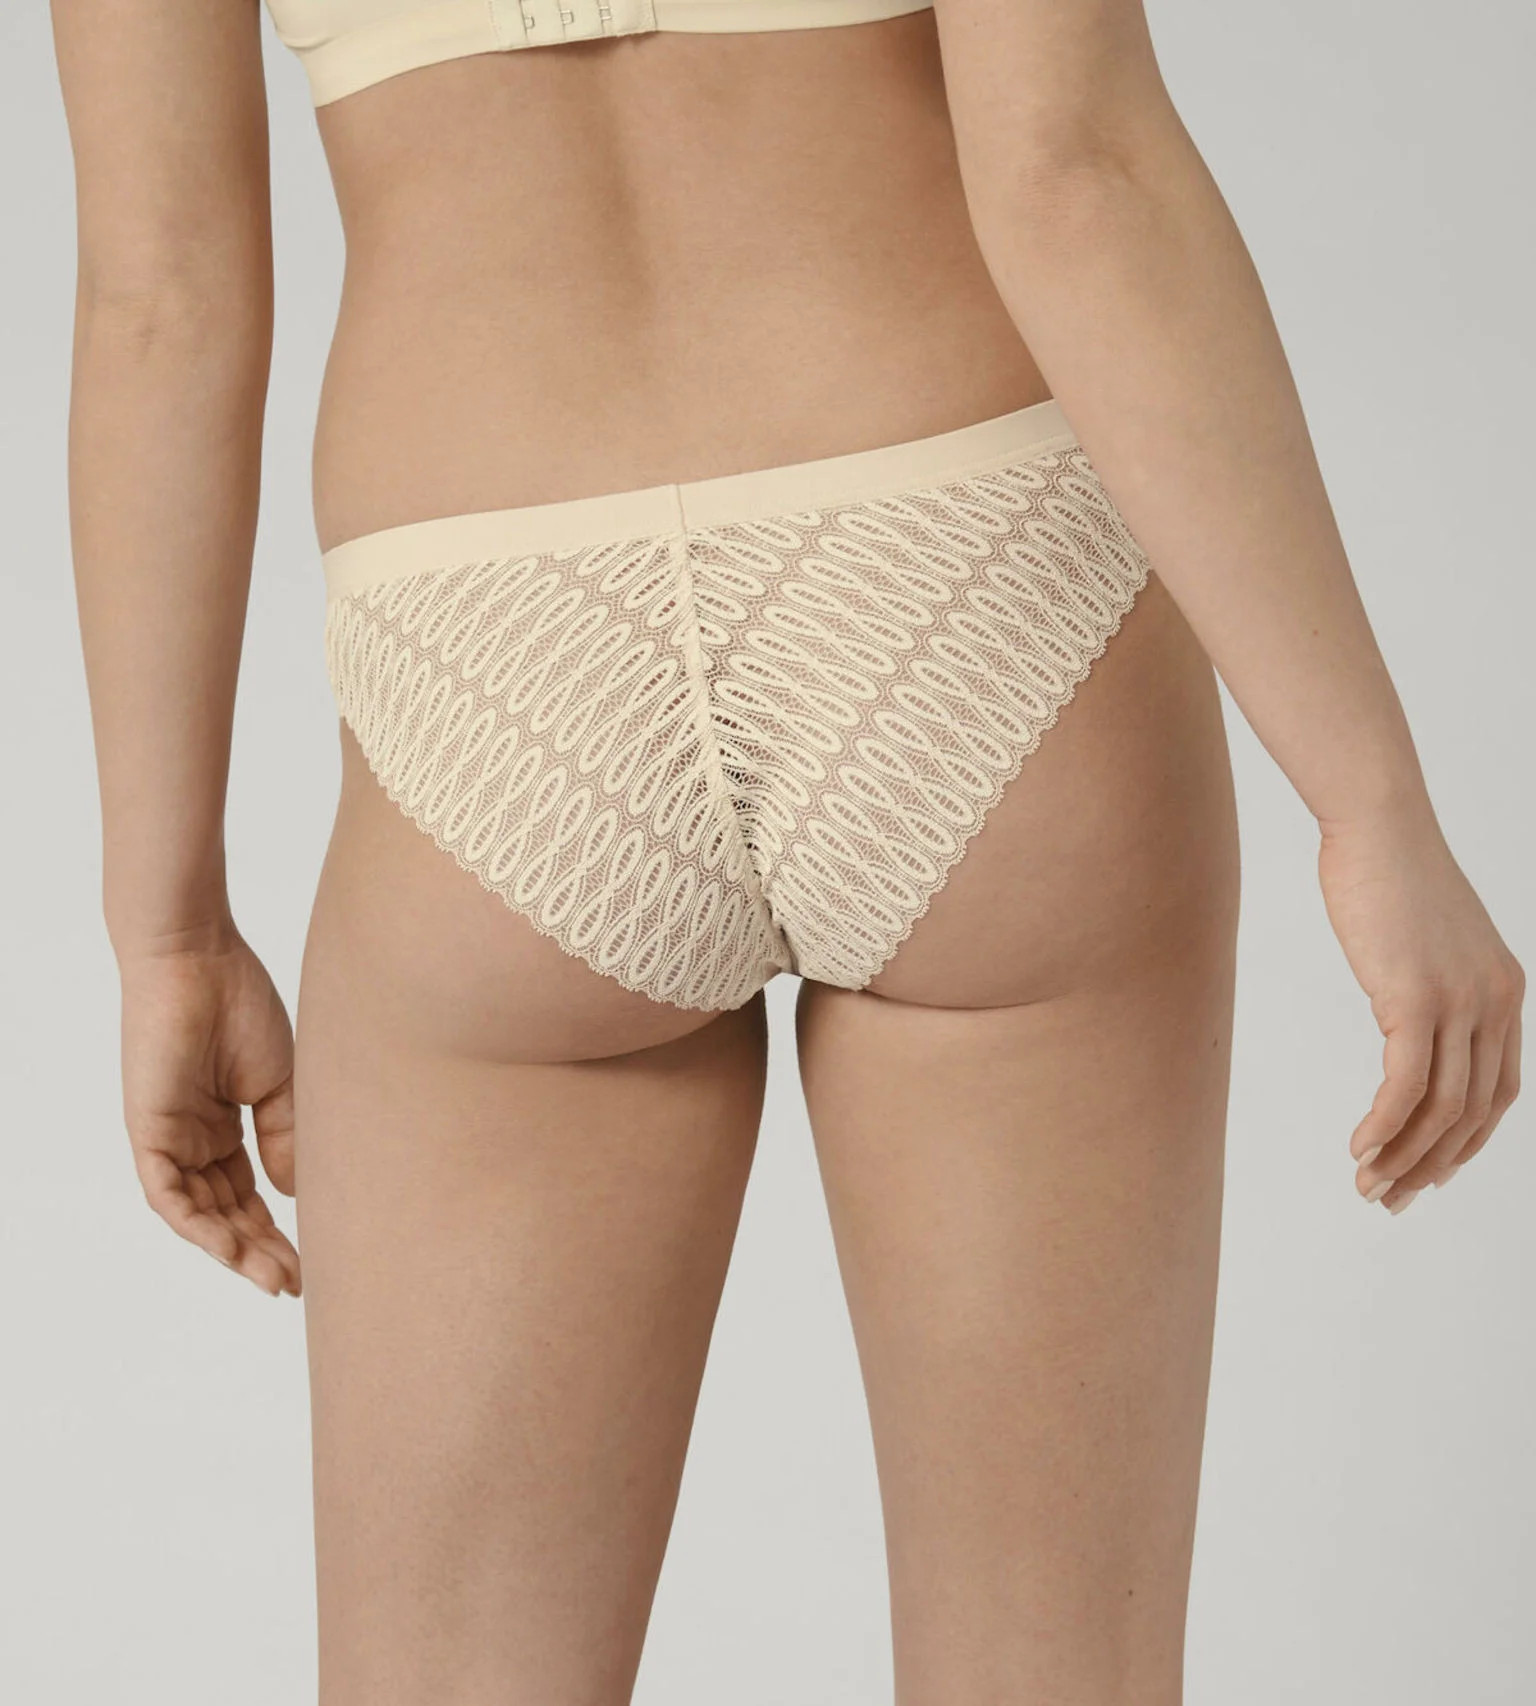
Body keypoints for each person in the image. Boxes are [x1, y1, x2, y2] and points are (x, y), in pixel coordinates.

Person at [50, 0, 1523, 1699]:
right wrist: (1368, 802)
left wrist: (168, 930)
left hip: (492, 647)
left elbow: (159, 295)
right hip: (971, 584)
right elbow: (1079, 173)